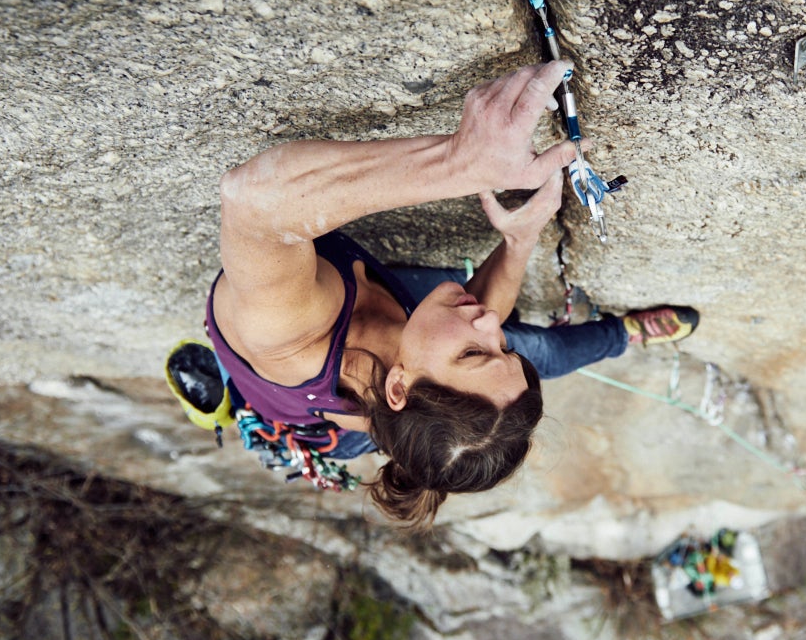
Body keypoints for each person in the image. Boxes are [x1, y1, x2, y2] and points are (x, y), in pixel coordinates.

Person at [206, 60, 698, 529]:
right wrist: (519, 240)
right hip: (401, 405)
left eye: (472, 352)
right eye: (499, 350)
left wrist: (460, 161)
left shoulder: (287, 333)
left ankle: (616, 337)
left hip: (333, 434)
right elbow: (487, 320)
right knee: (533, 353)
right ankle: (624, 335)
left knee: (540, 351)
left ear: (397, 388)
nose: (490, 325)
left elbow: (250, 200)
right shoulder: (418, 376)